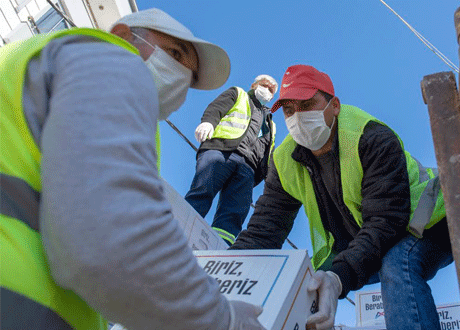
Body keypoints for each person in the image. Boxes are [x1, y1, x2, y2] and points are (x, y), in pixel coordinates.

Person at [0, 8, 266, 330]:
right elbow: (108, 236)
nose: (181, 74)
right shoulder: (109, 58)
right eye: (175, 53)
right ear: (124, 36)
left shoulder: (48, 66)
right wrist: (220, 319)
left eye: (190, 77)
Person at [230, 64, 454, 330]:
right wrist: (225, 273)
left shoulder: (371, 138)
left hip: (430, 221)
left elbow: (385, 222)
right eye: (289, 110)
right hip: (371, 237)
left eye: (307, 105)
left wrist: (339, 278)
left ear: (334, 105)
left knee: (397, 264)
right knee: (309, 285)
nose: (297, 118)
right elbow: (264, 230)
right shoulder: (283, 161)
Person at [185, 75, 277, 245]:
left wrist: (269, 176)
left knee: (234, 212)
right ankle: (178, 232)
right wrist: (208, 123)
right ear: (254, 84)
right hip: (221, 151)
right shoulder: (239, 94)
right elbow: (217, 107)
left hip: (248, 168)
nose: (268, 91)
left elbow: (268, 151)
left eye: (271, 90)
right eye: (265, 85)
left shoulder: (271, 123)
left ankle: (218, 247)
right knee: (202, 191)